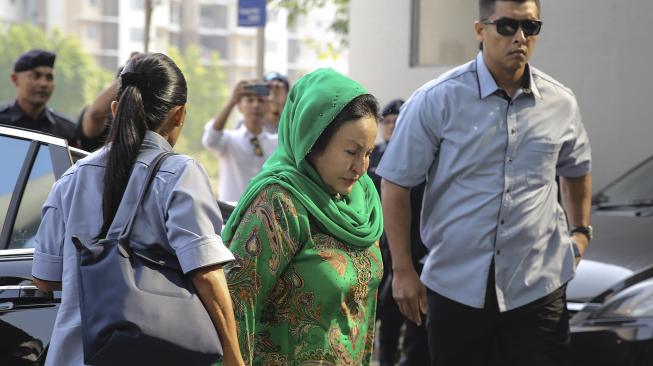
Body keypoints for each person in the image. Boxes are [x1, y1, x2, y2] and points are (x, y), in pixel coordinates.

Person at [377, 0, 592, 365]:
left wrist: (581, 231)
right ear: (481, 30)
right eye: (507, 26)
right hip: (456, 290)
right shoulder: (436, 100)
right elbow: (396, 185)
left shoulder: (560, 102)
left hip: (538, 287)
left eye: (531, 27)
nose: (520, 37)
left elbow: (576, 167)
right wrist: (402, 270)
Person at [30, 53, 245, 366]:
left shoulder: (70, 179)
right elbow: (206, 273)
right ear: (180, 114)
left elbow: (45, 279)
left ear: (116, 109)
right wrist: (234, 358)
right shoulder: (181, 173)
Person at [220, 68, 383, 365]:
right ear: (312, 140)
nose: (361, 167)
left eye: (369, 153)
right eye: (351, 152)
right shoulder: (280, 204)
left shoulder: (365, 201)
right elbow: (235, 301)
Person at [369, 99, 430, 366]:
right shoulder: (371, 157)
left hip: (417, 249)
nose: (392, 126)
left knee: (417, 319)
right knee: (386, 317)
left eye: (398, 120)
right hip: (382, 251)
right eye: (388, 121)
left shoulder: (421, 158)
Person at [202, 80, 278, 202]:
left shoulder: (276, 143)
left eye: (261, 101)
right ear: (240, 106)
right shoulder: (229, 140)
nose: (256, 105)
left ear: (268, 106)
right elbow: (210, 139)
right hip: (231, 213)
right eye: (250, 100)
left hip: (264, 215)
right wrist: (231, 102)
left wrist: (280, 104)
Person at [0, 49, 79, 147]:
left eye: (49, 77)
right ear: (15, 79)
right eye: (35, 76)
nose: (44, 84)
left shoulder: (67, 130)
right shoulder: (2, 123)